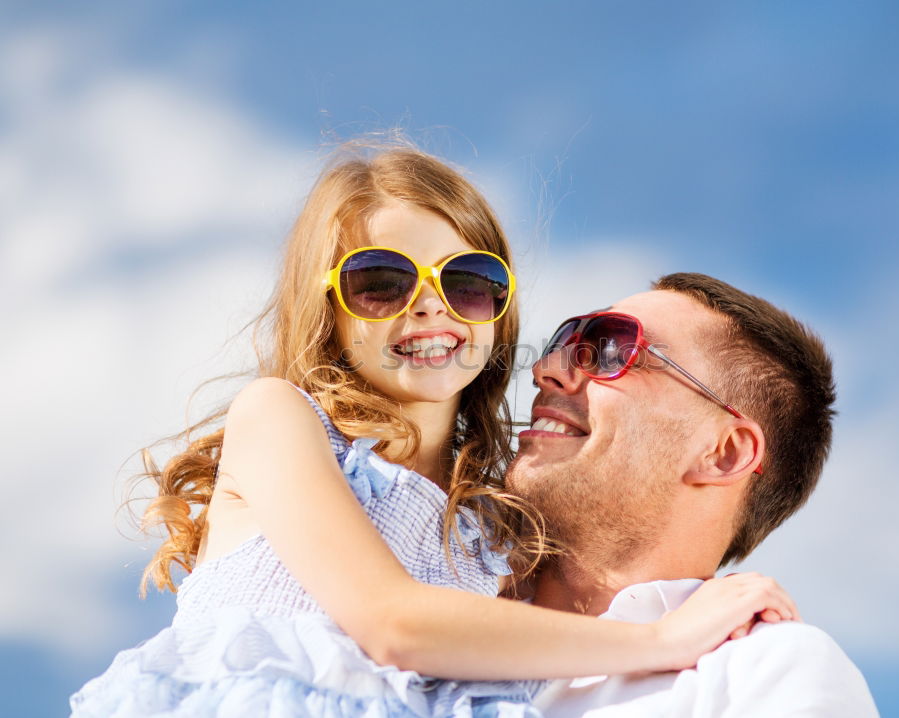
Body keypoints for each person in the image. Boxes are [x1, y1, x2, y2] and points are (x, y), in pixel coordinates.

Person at [70, 147, 800, 718]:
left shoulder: (491, 536)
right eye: (382, 282)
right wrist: (657, 643)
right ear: (325, 308)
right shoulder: (282, 421)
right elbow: (394, 624)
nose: (429, 308)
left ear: (497, 310)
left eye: (466, 281)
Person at [506, 273, 879, 716]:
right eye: (564, 340)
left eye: (613, 349)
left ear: (723, 453)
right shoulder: (427, 589)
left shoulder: (766, 670)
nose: (545, 370)